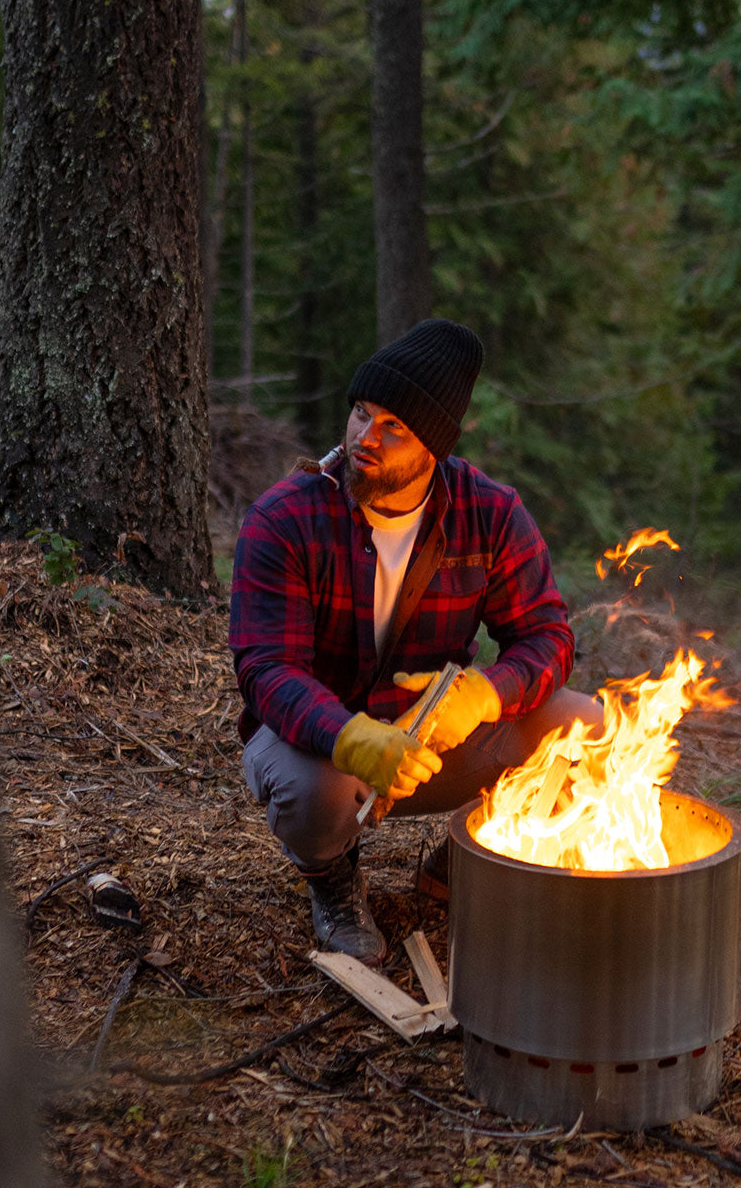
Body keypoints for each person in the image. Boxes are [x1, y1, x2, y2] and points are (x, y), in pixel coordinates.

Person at [229, 318, 600, 965]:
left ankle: (468, 856)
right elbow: (267, 668)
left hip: (430, 745)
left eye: (392, 426)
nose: (364, 438)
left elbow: (548, 636)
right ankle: (334, 883)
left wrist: (483, 696)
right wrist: (350, 736)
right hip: (316, 747)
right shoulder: (286, 517)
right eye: (361, 413)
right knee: (315, 793)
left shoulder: (489, 514)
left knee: (582, 722)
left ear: (432, 446)